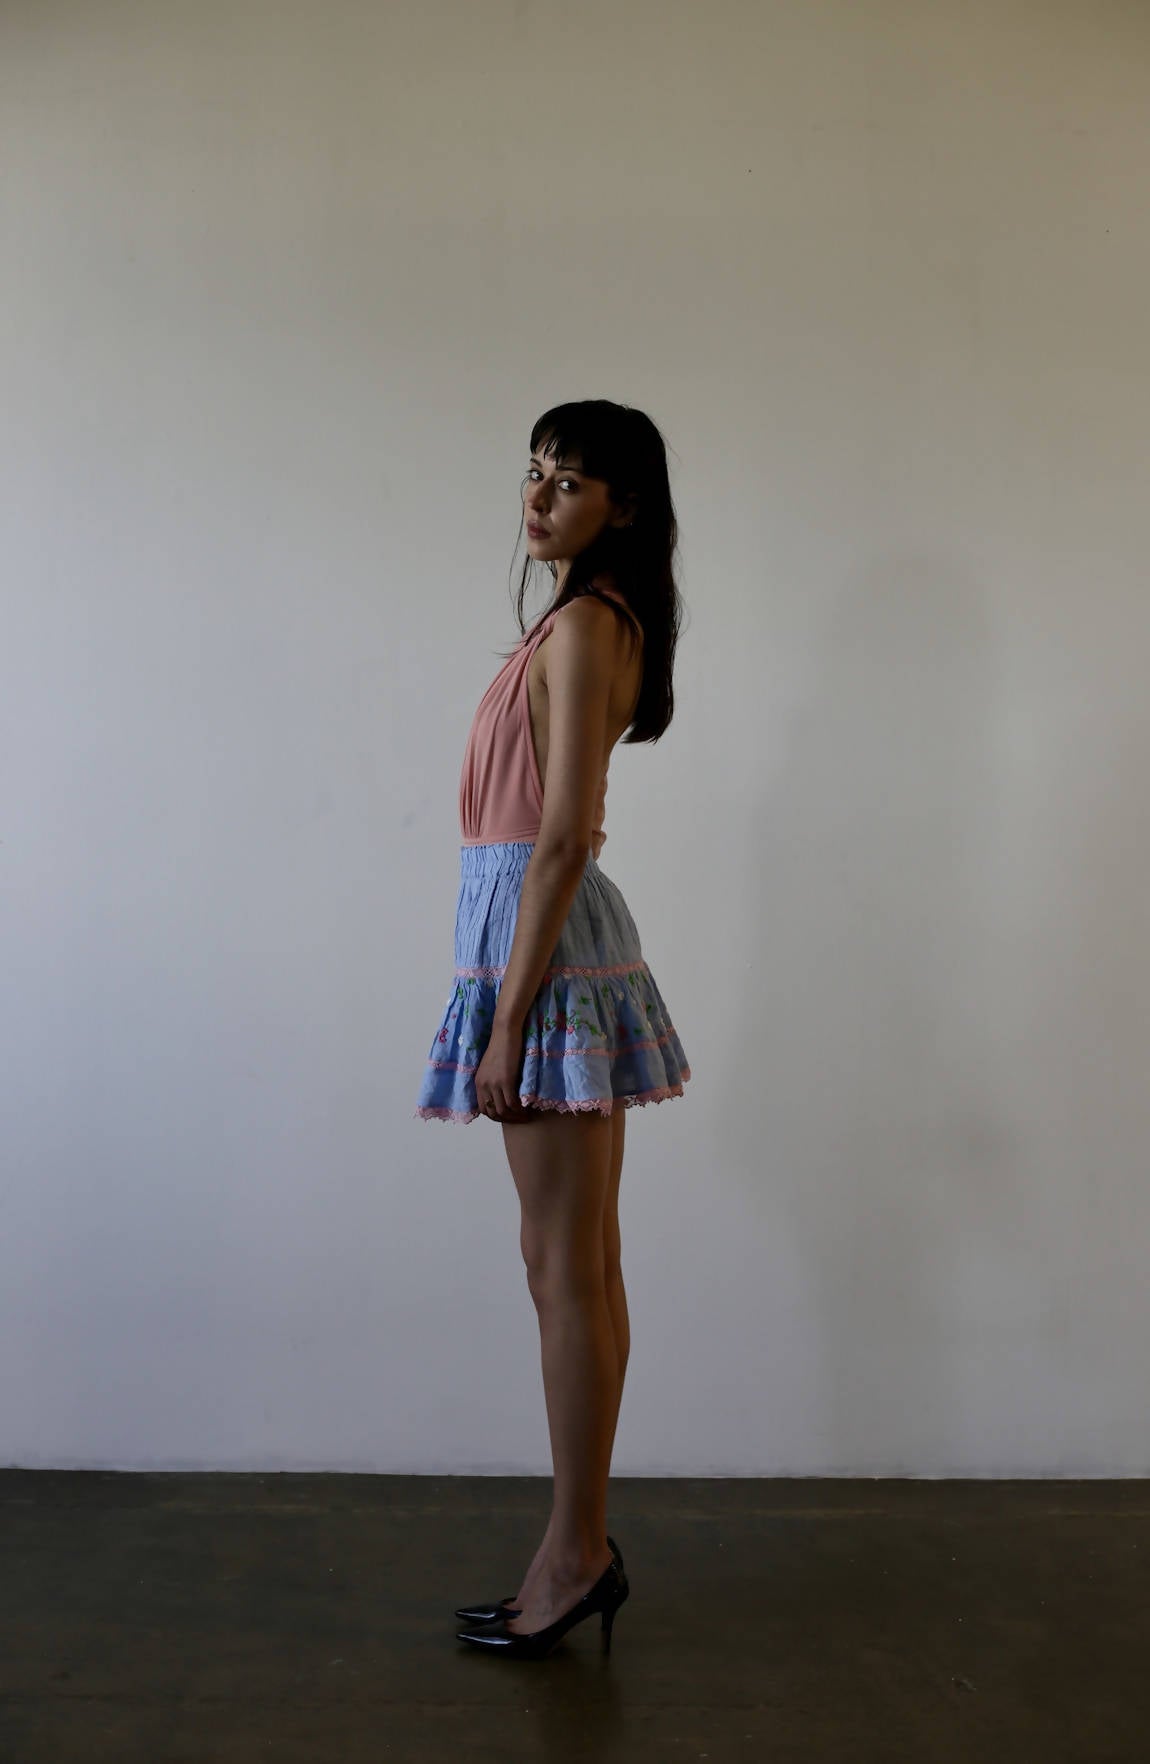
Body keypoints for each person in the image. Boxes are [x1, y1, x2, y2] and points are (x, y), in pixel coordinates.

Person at [415, 398, 692, 1659]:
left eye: (569, 481)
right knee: (569, 1264)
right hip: (533, 943)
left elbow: (568, 832)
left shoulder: (587, 623)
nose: (537, 498)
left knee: (564, 1271)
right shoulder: (577, 620)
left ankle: (577, 1554)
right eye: (532, 473)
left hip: (546, 960)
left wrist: (508, 1015)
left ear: (621, 508)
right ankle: (571, 1546)